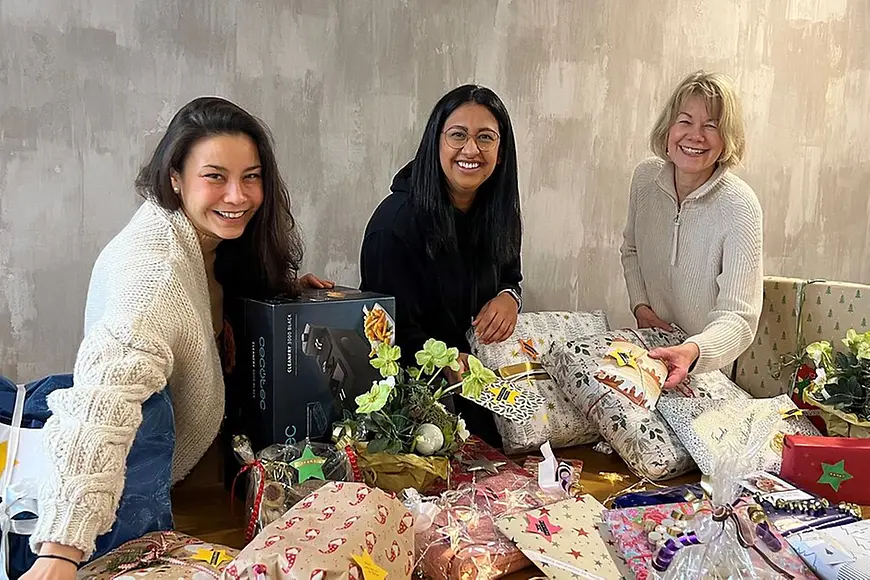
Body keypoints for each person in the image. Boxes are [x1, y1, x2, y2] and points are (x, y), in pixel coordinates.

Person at [23, 96, 332, 579]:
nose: (238, 196)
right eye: (215, 177)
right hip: (141, 503)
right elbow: (101, 405)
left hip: (207, 483)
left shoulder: (208, 241)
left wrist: (288, 294)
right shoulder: (154, 276)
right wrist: (59, 553)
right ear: (175, 177)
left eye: (251, 177)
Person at [360, 84, 523, 446]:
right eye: (458, 135)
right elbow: (389, 330)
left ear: (501, 152)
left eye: (485, 137)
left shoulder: (501, 213)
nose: (471, 150)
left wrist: (509, 297)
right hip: (414, 407)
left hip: (483, 393)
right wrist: (446, 360)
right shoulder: (395, 225)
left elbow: (511, 277)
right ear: (436, 143)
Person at [620, 70, 763, 389]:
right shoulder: (645, 180)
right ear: (669, 127)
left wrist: (693, 351)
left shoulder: (740, 206)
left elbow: (739, 318)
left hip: (707, 372)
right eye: (685, 121)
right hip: (651, 351)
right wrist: (640, 306)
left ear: (727, 138)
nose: (695, 136)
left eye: (711, 126)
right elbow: (631, 250)